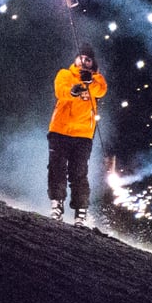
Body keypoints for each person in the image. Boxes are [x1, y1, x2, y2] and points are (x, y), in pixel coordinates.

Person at [47, 43, 107, 227]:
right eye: (81, 58)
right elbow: (61, 91)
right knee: (56, 168)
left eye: (88, 59)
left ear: (92, 63)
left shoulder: (97, 80)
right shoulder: (65, 74)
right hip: (60, 130)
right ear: (76, 59)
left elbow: (101, 90)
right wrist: (73, 91)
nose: (84, 61)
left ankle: (81, 212)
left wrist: (90, 81)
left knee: (78, 173)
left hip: (83, 135)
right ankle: (57, 204)